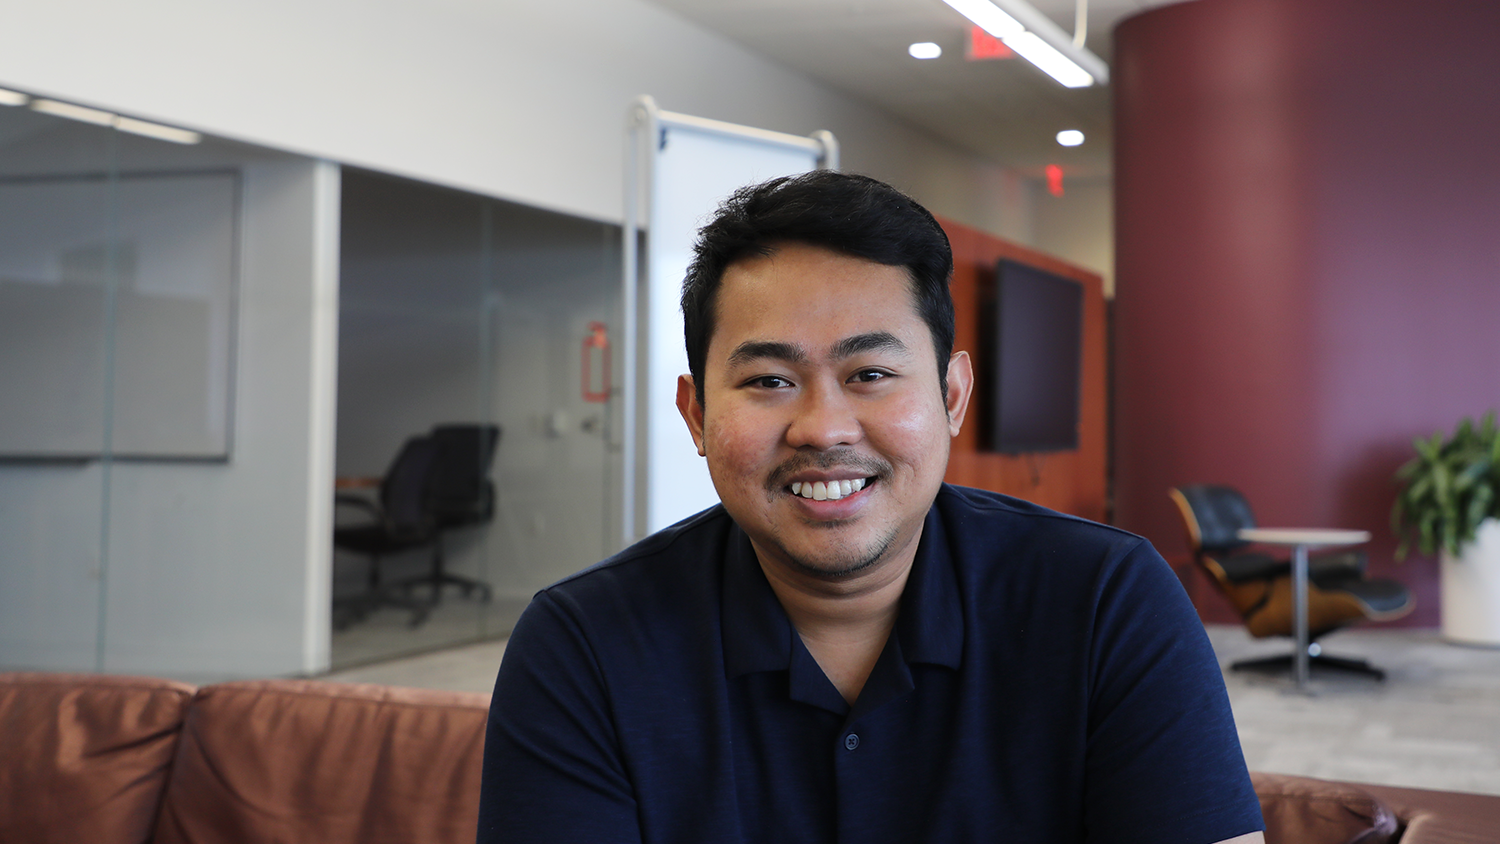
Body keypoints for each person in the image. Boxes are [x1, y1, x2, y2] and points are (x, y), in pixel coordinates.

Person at [477, 171, 1265, 844]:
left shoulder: (1106, 601)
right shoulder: (584, 646)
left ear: (952, 395)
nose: (822, 427)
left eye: (871, 374)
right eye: (768, 381)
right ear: (696, 418)